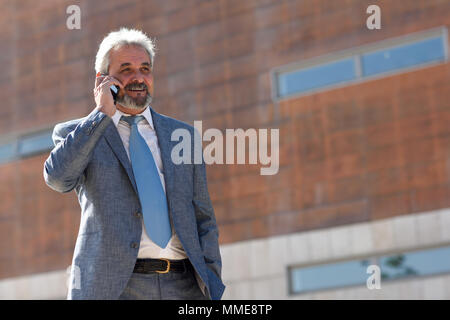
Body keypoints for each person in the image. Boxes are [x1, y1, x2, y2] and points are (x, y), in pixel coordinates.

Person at [43, 28, 224, 300]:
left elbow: (204, 217)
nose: (138, 77)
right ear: (103, 79)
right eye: (126, 69)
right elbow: (57, 178)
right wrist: (102, 113)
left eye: (145, 68)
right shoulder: (81, 133)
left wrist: (212, 281)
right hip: (116, 289)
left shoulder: (182, 136)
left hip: (185, 287)